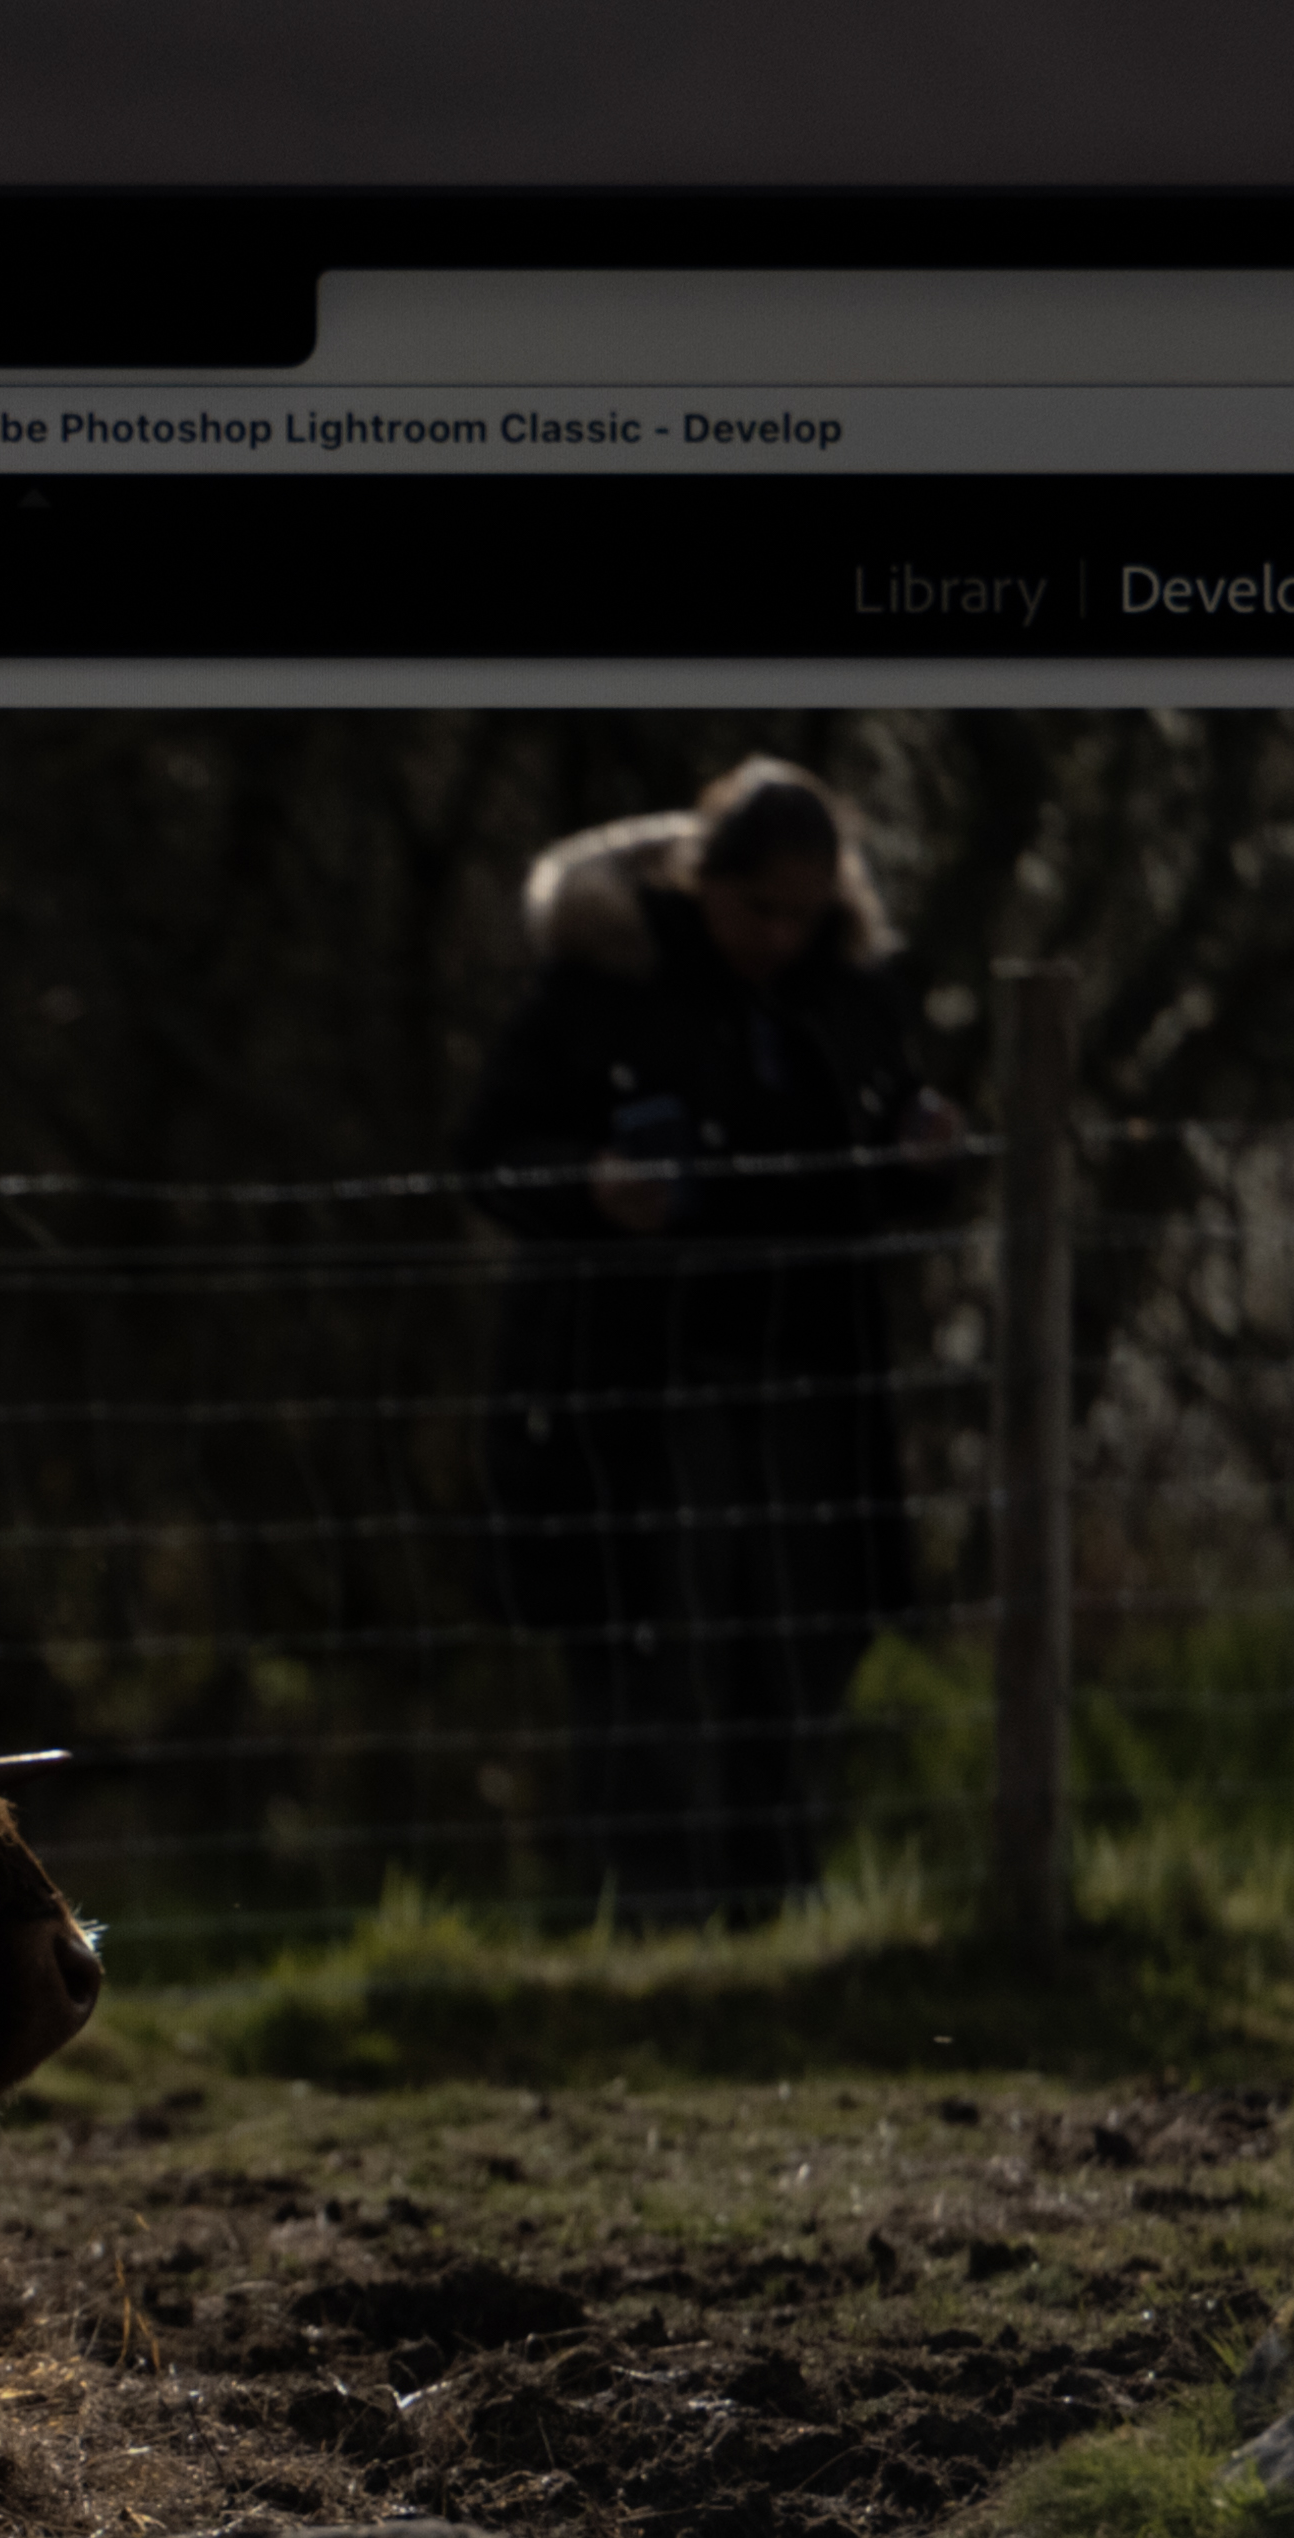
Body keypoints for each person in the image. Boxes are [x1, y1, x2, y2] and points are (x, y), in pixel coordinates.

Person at [459, 756, 973, 1919]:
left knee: (795, 1654)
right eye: (759, 909)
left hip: (816, 1393)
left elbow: (894, 1175)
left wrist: (924, 1149)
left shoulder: (853, 996)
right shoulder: (605, 984)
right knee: (660, 1653)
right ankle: (651, 1926)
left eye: (803, 912)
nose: (779, 935)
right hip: (646, 1394)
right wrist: (588, 1185)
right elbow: (488, 1151)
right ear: (706, 881)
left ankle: (778, 1921)